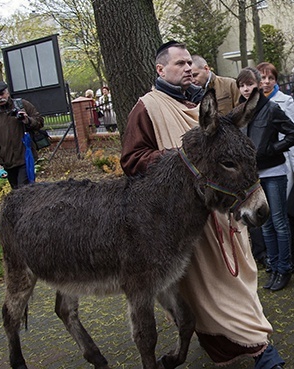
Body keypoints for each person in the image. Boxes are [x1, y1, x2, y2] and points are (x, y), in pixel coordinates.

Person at [120, 41, 284, 369]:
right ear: (160, 69)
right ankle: (260, 350)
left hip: (224, 211)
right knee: (209, 287)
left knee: (238, 279)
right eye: (180, 64)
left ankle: (246, 339)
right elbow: (132, 159)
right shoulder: (148, 107)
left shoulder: (200, 104)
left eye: (189, 64)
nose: (188, 69)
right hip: (186, 219)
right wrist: (178, 161)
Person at [237, 67, 294, 291]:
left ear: (259, 85)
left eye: (250, 84)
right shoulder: (240, 112)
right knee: (264, 224)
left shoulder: (272, 109)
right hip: (253, 178)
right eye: (242, 85)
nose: (246, 88)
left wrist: (272, 149)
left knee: (279, 222)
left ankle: (284, 268)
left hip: (274, 172)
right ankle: (273, 267)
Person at [257, 62, 294, 273]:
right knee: (267, 216)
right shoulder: (254, 103)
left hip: (282, 164)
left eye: (270, 78)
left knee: (284, 215)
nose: (266, 82)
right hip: (262, 168)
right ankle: (273, 257)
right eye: (262, 78)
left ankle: (291, 258)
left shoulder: (285, 102)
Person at [0, 81, 44, 189]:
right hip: (8, 162)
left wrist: (27, 120)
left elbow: (39, 122)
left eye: (2, 94)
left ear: (7, 93)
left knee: (24, 190)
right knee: (16, 190)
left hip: (25, 157)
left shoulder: (23, 105)